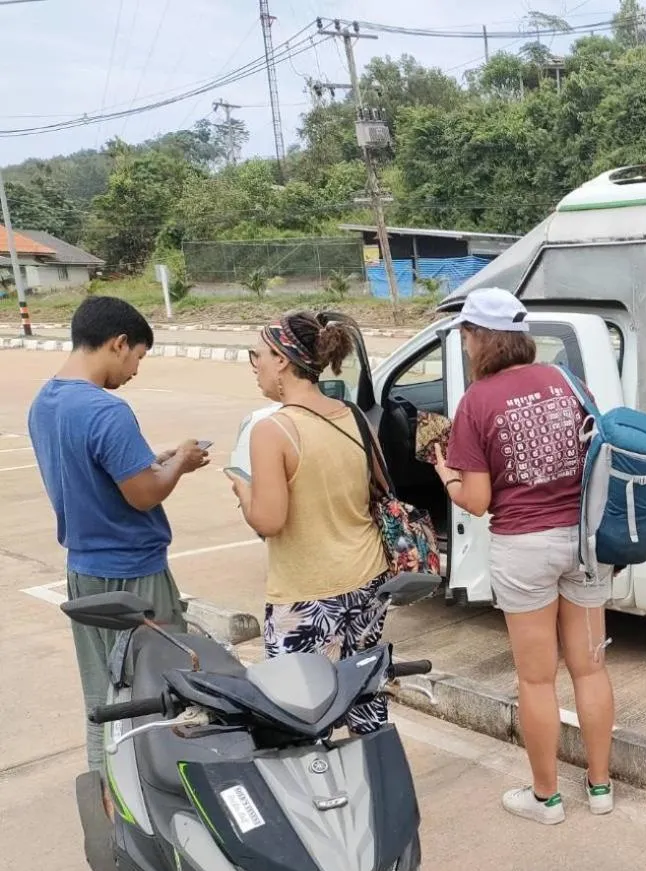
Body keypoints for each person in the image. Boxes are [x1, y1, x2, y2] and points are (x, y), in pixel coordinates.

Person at [433, 288, 615, 826]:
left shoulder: (478, 402)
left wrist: (446, 475)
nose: (464, 344)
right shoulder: (567, 382)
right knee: (590, 668)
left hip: (524, 548)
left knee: (537, 680)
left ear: (478, 338)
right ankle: (601, 789)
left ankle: (547, 799)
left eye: (465, 334)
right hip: (582, 542)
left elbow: (479, 500)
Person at [28, 296, 209, 771]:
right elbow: (144, 495)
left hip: (84, 574)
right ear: (119, 343)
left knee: (104, 696)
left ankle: (109, 795)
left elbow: (101, 474)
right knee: (159, 692)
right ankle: (161, 799)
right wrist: (182, 465)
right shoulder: (107, 410)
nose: (135, 371)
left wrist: (157, 462)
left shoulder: (44, 402)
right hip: (134, 577)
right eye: (138, 358)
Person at [228, 311, 392, 734]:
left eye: (258, 355)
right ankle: (373, 789)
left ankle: (321, 798)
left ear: (282, 360)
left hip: (308, 595)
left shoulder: (273, 430)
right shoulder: (353, 415)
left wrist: (242, 491)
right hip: (369, 579)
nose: (256, 366)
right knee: (364, 701)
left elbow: (269, 521)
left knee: (300, 718)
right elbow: (377, 488)